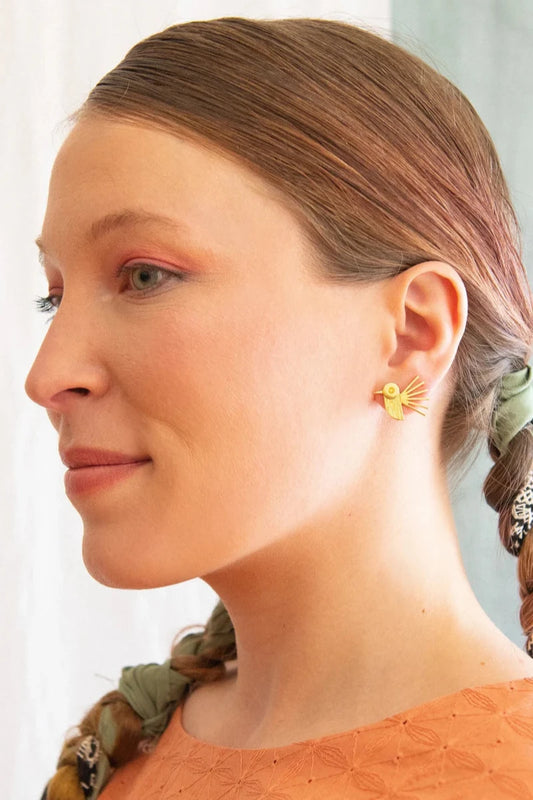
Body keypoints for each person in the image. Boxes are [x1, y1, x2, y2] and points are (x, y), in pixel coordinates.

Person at [25, 16, 533, 800]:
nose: (47, 375)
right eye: (53, 297)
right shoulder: (121, 759)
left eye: (145, 275)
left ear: (410, 334)